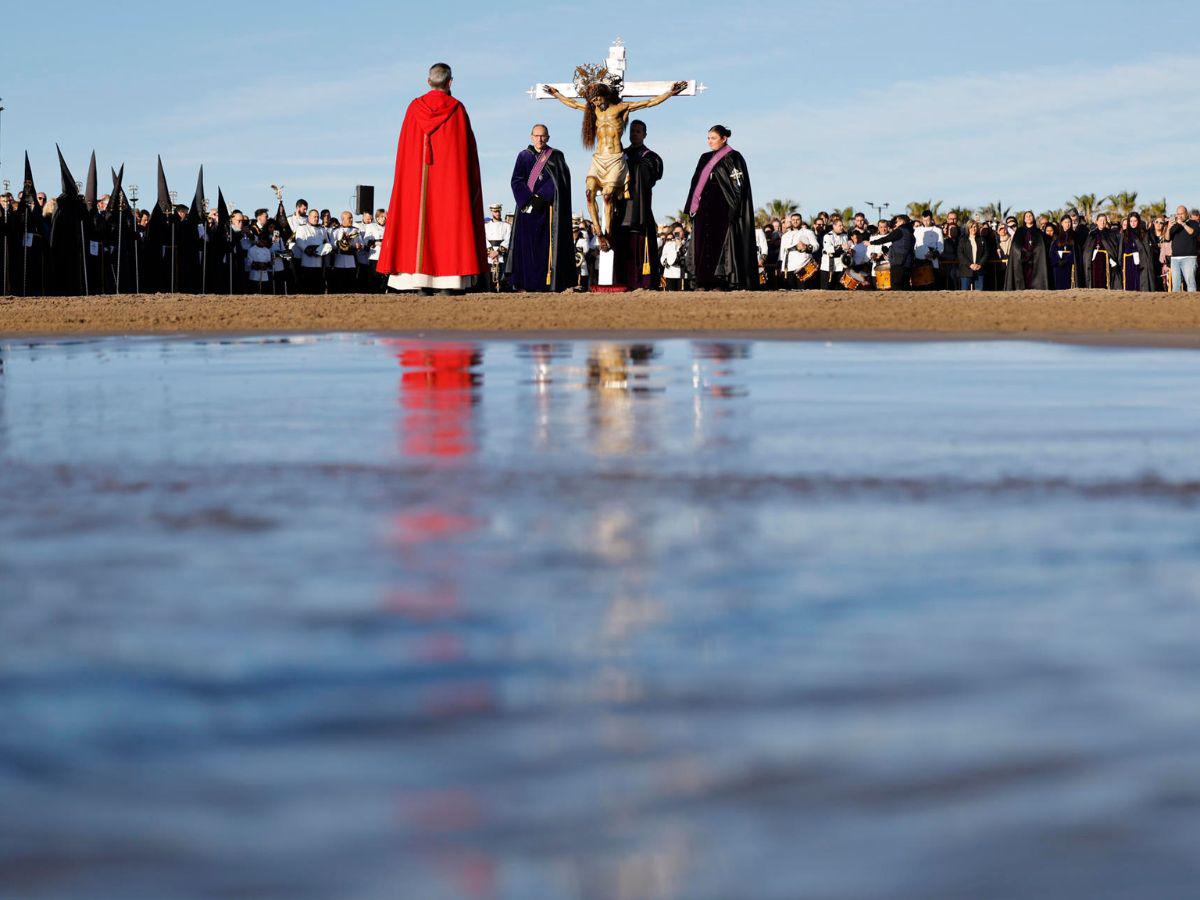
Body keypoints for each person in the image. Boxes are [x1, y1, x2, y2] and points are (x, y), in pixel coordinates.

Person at [376, 62, 487, 294]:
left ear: (428, 81)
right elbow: (468, 153)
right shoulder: (456, 109)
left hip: (415, 182)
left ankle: (418, 280)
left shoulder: (414, 108)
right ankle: (449, 281)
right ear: (450, 82)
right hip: (451, 183)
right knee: (448, 222)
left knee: (416, 221)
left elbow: (403, 153)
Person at [684, 125, 757, 291]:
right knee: (701, 242)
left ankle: (720, 281)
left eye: (713, 138)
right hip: (704, 207)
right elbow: (695, 182)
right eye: (708, 138)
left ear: (724, 139)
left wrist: (734, 208)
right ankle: (702, 281)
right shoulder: (704, 157)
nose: (710, 141)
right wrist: (692, 205)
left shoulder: (734, 157)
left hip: (723, 207)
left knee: (721, 244)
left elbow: (739, 185)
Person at [506, 124, 575, 292]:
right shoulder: (523, 156)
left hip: (547, 210)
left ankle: (546, 283)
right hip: (526, 211)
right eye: (536, 136)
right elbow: (516, 180)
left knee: (545, 249)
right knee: (525, 248)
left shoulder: (556, 156)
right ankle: (525, 283)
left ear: (548, 137)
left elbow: (560, 181)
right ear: (531, 137)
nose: (539, 139)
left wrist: (542, 197)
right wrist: (527, 200)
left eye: (543, 136)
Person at [617, 119, 664, 289]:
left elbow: (653, 174)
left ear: (644, 134)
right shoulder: (621, 154)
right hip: (621, 207)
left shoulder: (650, 157)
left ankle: (644, 282)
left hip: (640, 208)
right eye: (632, 131)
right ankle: (623, 281)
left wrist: (633, 168)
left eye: (638, 131)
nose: (634, 134)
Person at [1004, 211, 1049, 290]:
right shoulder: (1019, 231)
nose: (1028, 217)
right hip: (1022, 260)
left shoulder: (1039, 232)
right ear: (1024, 219)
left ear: (1033, 218)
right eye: (1026, 216)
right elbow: (1015, 246)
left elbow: (1041, 247)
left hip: (1035, 260)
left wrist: (1033, 252)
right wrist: (1024, 251)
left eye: (1030, 216)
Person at [292, 208, 331, 293]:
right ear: (309, 217)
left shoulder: (322, 229)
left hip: (319, 263)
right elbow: (300, 242)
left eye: (317, 217)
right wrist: (309, 250)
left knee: (318, 289)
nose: (316, 218)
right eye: (314, 217)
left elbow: (327, 243)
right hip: (307, 262)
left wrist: (323, 249)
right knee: (307, 288)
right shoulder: (302, 228)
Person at [870, 214, 915, 288]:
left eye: (896, 222)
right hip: (908, 264)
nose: (895, 224)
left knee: (896, 286)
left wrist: (871, 242)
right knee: (905, 286)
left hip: (898, 264)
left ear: (902, 221)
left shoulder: (900, 231)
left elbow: (886, 239)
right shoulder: (910, 232)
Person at [779, 213, 818, 289]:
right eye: (793, 220)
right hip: (788, 268)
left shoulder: (808, 232)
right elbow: (781, 253)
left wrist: (806, 247)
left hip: (802, 266)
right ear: (791, 221)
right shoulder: (785, 236)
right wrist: (780, 266)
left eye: (797, 220)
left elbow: (816, 246)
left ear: (801, 220)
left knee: (803, 291)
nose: (795, 221)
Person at [1118, 212, 1155, 293]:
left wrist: (1140, 255)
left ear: (1138, 221)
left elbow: (1146, 250)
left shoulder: (1143, 233)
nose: (1133, 223)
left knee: (1140, 283)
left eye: (1135, 221)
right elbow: (1121, 249)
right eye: (1131, 221)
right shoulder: (1125, 233)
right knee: (1129, 284)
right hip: (1128, 262)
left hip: (1141, 262)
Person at [1167, 205, 1199, 292]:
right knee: (1176, 285)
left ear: (1187, 213)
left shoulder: (1194, 223)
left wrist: (1183, 224)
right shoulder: (1174, 225)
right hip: (1175, 259)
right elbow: (1167, 238)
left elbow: (1193, 233)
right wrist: (1169, 227)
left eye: (1181, 214)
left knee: (1190, 283)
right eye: (1178, 214)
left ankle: (1193, 304)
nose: (1179, 216)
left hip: (1189, 258)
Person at [1083, 214, 1119, 289]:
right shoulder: (1092, 234)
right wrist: (1091, 254)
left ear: (1106, 222)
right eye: (1100, 220)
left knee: (1105, 279)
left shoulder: (1110, 234)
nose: (1102, 222)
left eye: (1104, 221)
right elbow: (1087, 249)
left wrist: (1111, 257)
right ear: (1096, 222)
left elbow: (1113, 248)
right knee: (1095, 278)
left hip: (1106, 260)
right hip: (1094, 261)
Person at [328, 211, 361, 293]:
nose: (351, 219)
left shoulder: (355, 231)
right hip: (339, 261)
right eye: (349, 218)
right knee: (339, 287)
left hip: (351, 262)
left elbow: (362, 243)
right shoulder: (335, 231)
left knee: (351, 286)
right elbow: (331, 244)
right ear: (343, 219)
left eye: (352, 218)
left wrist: (359, 245)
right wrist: (339, 243)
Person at [483, 203, 511, 291]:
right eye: (495, 211)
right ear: (491, 212)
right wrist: (491, 252)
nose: (497, 213)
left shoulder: (507, 226)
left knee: (502, 277)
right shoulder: (486, 226)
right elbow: (484, 239)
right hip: (490, 255)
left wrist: (498, 252)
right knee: (490, 277)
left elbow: (508, 239)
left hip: (501, 254)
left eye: (498, 211)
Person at [957, 219, 990, 291]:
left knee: (979, 293)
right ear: (968, 228)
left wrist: (980, 264)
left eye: (975, 227)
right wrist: (970, 265)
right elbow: (960, 254)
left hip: (979, 271)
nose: (973, 229)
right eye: (971, 227)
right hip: (966, 271)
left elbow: (986, 253)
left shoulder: (982, 239)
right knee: (964, 294)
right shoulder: (963, 240)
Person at [819, 215, 849, 289]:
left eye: (842, 225)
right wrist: (841, 247)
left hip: (841, 265)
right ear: (834, 226)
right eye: (840, 226)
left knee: (839, 288)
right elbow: (829, 250)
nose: (842, 227)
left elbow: (845, 250)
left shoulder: (845, 236)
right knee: (827, 288)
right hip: (829, 266)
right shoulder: (828, 236)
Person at [1048, 217, 1077, 289]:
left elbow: (1076, 251)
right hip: (1058, 266)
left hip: (1070, 266)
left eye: (1069, 222)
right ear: (1061, 223)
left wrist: (1067, 259)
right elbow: (1053, 252)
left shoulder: (1075, 236)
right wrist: (1057, 261)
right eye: (1065, 222)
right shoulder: (1057, 236)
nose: (1067, 224)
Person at [660, 223, 687, 290]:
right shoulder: (669, 244)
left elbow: (686, 255)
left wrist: (680, 246)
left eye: (681, 231)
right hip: (670, 272)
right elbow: (663, 256)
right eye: (677, 232)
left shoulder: (686, 243)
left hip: (681, 273)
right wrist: (666, 263)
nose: (679, 234)